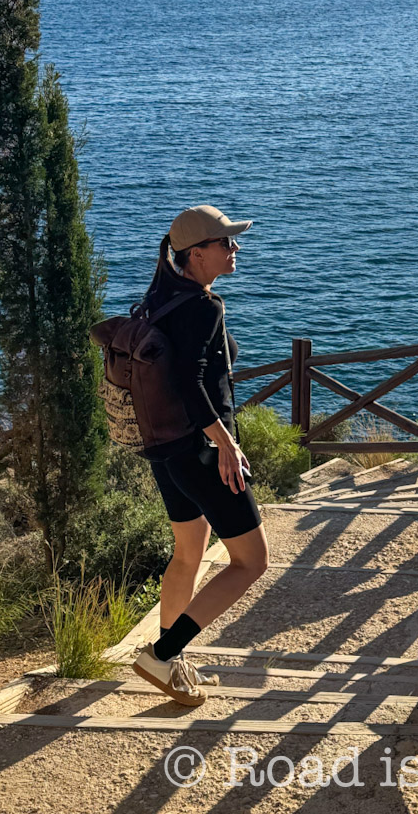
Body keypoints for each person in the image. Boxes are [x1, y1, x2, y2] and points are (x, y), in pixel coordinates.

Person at [131, 204, 269, 706]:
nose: (235, 250)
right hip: (202, 450)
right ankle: (163, 654)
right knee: (251, 561)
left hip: (165, 448)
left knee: (189, 552)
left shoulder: (160, 298)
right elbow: (192, 386)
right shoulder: (204, 307)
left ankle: (171, 667)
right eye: (225, 243)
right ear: (196, 254)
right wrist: (227, 444)